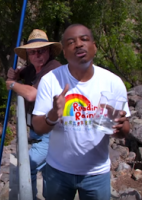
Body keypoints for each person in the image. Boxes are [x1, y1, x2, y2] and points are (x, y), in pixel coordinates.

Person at [32, 24, 131, 200]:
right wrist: (53, 115)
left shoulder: (113, 83)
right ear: (64, 51)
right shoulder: (51, 80)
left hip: (97, 173)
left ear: (94, 47)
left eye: (84, 39)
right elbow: (38, 128)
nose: (78, 44)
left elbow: (123, 132)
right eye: (71, 42)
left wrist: (120, 126)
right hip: (58, 171)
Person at [6, 29, 62, 199]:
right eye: (33, 52)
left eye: (41, 50)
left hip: (51, 133)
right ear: (28, 55)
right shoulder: (32, 69)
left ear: (49, 51)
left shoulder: (53, 68)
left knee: (26, 166)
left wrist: (12, 84)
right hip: (37, 130)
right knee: (48, 173)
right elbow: (19, 73)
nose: (37, 55)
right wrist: (15, 74)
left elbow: (32, 94)